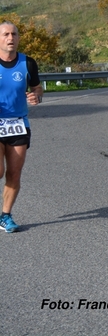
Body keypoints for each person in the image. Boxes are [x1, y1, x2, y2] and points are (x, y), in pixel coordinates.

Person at [0, 22, 43, 233]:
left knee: (14, 174)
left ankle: (5, 216)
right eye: (6, 34)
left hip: (18, 124)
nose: (10, 38)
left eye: (14, 34)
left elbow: (37, 87)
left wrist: (36, 96)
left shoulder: (28, 63)